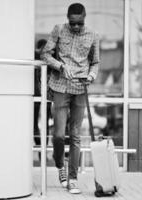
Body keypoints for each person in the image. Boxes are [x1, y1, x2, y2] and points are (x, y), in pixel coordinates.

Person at [41, 3, 100, 194]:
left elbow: (95, 63)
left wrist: (91, 76)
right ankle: (60, 165)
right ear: (68, 19)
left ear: (85, 18)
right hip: (60, 87)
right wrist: (60, 66)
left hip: (80, 88)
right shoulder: (58, 30)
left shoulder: (93, 35)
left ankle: (73, 178)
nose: (76, 27)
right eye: (72, 23)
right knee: (58, 135)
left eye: (79, 23)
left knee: (75, 135)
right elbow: (45, 54)